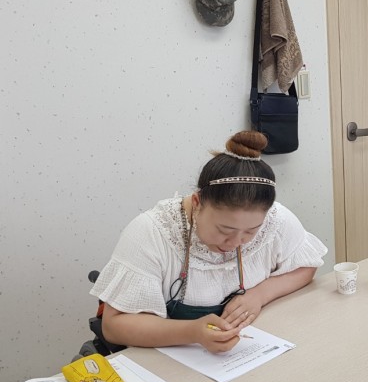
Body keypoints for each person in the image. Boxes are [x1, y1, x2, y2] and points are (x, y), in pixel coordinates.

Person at [91, 131, 327, 353]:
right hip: (174, 359)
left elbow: (306, 266)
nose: (235, 242)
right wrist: (192, 332)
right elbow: (114, 326)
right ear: (197, 202)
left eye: (250, 231)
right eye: (225, 230)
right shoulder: (151, 232)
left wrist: (260, 294)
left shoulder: (276, 220)